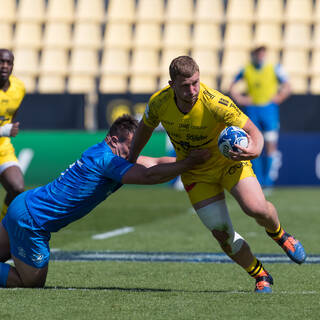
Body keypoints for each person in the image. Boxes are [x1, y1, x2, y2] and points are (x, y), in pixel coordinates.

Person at [128, 56, 306, 293]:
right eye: (185, 85)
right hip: (195, 173)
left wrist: (254, 149)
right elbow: (144, 130)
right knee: (222, 234)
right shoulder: (159, 103)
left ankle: (281, 236)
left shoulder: (215, 102)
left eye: (196, 82)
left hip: (228, 163)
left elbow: (253, 131)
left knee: (256, 208)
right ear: (172, 85)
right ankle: (260, 274)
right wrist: (131, 158)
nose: (192, 90)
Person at [0, 114, 210, 288]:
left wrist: (195, 161)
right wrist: (189, 163)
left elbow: (154, 162)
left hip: (25, 204)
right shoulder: (106, 160)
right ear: (113, 140)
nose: (134, 153)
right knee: (30, 283)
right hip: (32, 221)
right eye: (131, 147)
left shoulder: (111, 154)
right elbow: (148, 176)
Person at [229, 46, 291, 188]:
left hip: (269, 110)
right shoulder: (246, 69)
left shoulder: (274, 68)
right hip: (253, 110)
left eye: (263, 52)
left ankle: (268, 182)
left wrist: (280, 97)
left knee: (270, 144)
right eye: (258, 53)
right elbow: (232, 85)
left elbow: (287, 86)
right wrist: (240, 98)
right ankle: (257, 179)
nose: (261, 55)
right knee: (252, 144)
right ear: (254, 55)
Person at [0, 49, 25, 221]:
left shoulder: (19, 88)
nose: (4, 66)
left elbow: (11, 115)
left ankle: (2, 226)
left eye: (9, 63)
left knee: (17, 188)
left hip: (3, 148)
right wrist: (4, 130)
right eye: (1, 61)